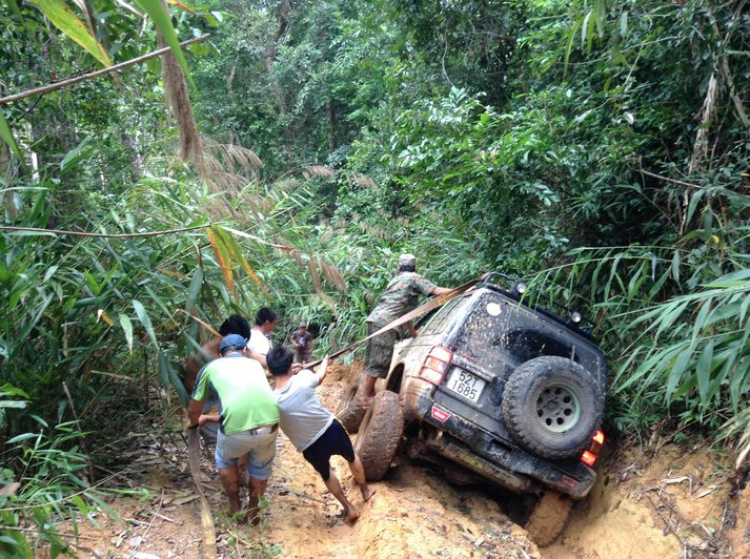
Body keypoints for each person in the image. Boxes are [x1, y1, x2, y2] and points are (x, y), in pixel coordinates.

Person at [267, 346, 374, 524]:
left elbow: (272, 425)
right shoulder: (303, 378)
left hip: (309, 446)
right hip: (330, 429)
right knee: (351, 456)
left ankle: (349, 507)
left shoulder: (271, 400)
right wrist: (324, 362)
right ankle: (365, 490)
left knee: (326, 474)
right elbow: (321, 376)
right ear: (290, 364)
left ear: (269, 370)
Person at [187, 334, 280, 521]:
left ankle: (235, 507)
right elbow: (248, 405)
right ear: (244, 351)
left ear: (221, 355)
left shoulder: (211, 368)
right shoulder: (255, 366)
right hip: (270, 425)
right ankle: (253, 511)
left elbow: (194, 407)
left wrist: (195, 420)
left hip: (235, 432)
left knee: (224, 459)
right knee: (260, 467)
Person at [362, 253, 451, 402]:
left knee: (373, 359)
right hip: (387, 323)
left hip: (375, 319)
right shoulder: (414, 278)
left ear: (399, 267)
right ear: (414, 267)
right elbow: (436, 292)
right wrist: (463, 289)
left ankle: (366, 394)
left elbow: (406, 313)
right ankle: (366, 397)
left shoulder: (396, 280)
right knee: (380, 362)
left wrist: (413, 333)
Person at [183, 315, 251, 446]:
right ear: (230, 336)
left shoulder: (221, 348)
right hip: (206, 407)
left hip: (213, 400)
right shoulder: (211, 357)